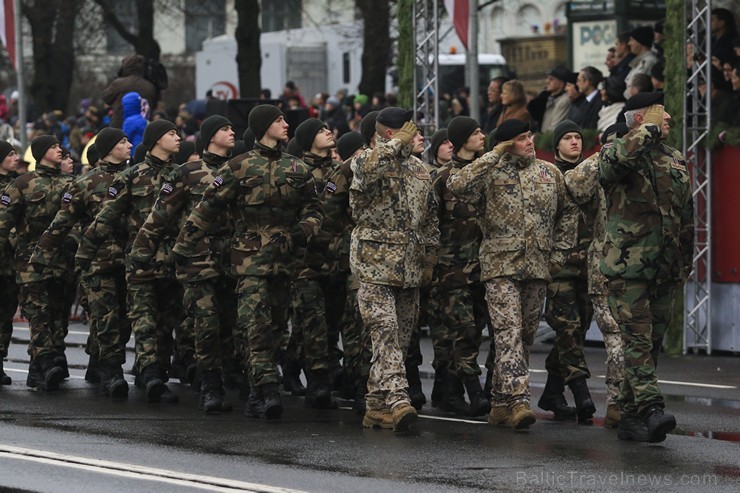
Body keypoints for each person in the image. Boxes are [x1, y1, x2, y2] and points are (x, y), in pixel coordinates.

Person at [173, 105, 323, 420]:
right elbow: (207, 209)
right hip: (248, 262)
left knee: (278, 329)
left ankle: (259, 388)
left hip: (284, 261)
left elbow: (315, 210)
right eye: (278, 120)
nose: (285, 125)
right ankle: (264, 391)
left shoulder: (297, 169)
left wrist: (301, 232)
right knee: (256, 327)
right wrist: (183, 247)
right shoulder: (239, 167)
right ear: (262, 127)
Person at [447, 119, 576, 430]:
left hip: (537, 268)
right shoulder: (489, 171)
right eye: (521, 138)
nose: (529, 141)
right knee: (508, 333)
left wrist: (558, 255)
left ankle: (501, 402)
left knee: (525, 336)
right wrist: (494, 154)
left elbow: (568, 212)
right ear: (506, 144)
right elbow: (457, 185)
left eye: (529, 135)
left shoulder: (549, 173)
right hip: (500, 267)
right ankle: (519, 400)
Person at [598, 93, 694, 443]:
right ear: (642, 119)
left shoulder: (675, 159)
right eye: (661, 113)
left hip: (666, 269)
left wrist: (684, 263)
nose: (668, 117)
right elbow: (610, 168)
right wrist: (646, 131)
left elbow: (686, 216)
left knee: (650, 345)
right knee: (637, 342)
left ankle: (627, 416)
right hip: (628, 270)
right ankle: (652, 408)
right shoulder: (617, 148)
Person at [129, 115, 238, 413]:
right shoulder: (187, 172)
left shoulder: (239, 168)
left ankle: (230, 380)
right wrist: (140, 253)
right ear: (209, 136)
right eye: (224, 128)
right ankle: (210, 388)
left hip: (232, 260)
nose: (231, 132)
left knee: (229, 325)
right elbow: (160, 216)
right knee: (205, 324)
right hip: (196, 260)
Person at [76, 120, 183, 403]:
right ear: (157, 139)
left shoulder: (181, 174)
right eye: (171, 133)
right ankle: (125, 373)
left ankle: (155, 370)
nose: (178, 137)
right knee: (132, 320)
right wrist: (83, 254)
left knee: (163, 323)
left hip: (171, 261)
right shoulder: (132, 175)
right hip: (138, 261)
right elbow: (108, 215)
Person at [350, 108, 439, 431]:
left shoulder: (419, 170)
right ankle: (399, 400)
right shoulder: (366, 160)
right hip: (374, 265)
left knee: (398, 342)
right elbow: (366, 169)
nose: (417, 137)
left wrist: (429, 257)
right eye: (409, 131)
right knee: (385, 334)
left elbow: (429, 217)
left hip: (409, 267)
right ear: (390, 134)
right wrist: (392, 145)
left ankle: (375, 405)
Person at [31, 128, 133, 399]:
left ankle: (98, 363)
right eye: (123, 142)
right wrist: (41, 255)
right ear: (110, 148)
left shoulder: (135, 177)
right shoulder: (85, 182)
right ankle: (112, 372)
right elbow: (62, 222)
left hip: (131, 260)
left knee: (124, 319)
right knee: (105, 316)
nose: (129, 145)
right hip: (97, 260)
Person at [563, 122, 629, 428]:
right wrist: (604, 152)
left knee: (625, 339)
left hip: (616, 265)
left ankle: (621, 401)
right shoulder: (606, 168)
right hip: (613, 266)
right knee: (624, 339)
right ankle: (621, 402)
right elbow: (574, 185)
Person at [0, 136, 74, 390]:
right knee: (38, 314)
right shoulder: (23, 184)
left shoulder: (71, 184)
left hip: (63, 261)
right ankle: (44, 361)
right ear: (42, 153)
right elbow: (3, 224)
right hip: (30, 262)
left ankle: (36, 370)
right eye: (54, 147)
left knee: (58, 316)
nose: (60, 150)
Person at [432, 116, 490, 417]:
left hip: (484, 266)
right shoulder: (442, 178)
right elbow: (430, 224)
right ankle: (472, 388)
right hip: (451, 268)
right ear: (461, 139)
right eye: (476, 132)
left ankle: (448, 390)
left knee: (473, 329)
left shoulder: (487, 174)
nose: (482, 136)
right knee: (462, 329)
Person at [539, 120, 595, 422]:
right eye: (567, 138)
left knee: (578, 330)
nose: (574, 142)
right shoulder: (548, 176)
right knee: (568, 329)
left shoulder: (592, 174)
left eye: (577, 137)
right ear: (556, 144)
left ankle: (551, 391)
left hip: (588, 265)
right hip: (559, 265)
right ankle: (581, 390)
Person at [288, 118, 342, 409]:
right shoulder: (296, 172)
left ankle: (295, 365)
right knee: (313, 324)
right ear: (309, 139)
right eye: (322, 130)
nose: (329, 131)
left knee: (331, 326)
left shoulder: (340, 171)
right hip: (305, 262)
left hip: (337, 261)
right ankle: (318, 384)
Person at [0, 142, 19, 385]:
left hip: (11, 262)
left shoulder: (18, 186)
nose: (15, 158)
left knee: (6, 314)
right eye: (10, 154)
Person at [102, 54, 158, 129]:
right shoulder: (150, 86)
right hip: (143, 127)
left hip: (120, 126)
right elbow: (154, 104)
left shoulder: (119, 83)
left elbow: (106, 98)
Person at [623, 26, 659, 100]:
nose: (629, 43)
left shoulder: (648, 62)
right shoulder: (639, 62)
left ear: (640, 42)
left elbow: (637, 89)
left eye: (632, 40)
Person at [535, 66, 573, 133]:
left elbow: (555, 128)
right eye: (548, 79)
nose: (547, 81)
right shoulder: (550, 98)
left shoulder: (564, 100)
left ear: (561, 84)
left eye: (551, 79)